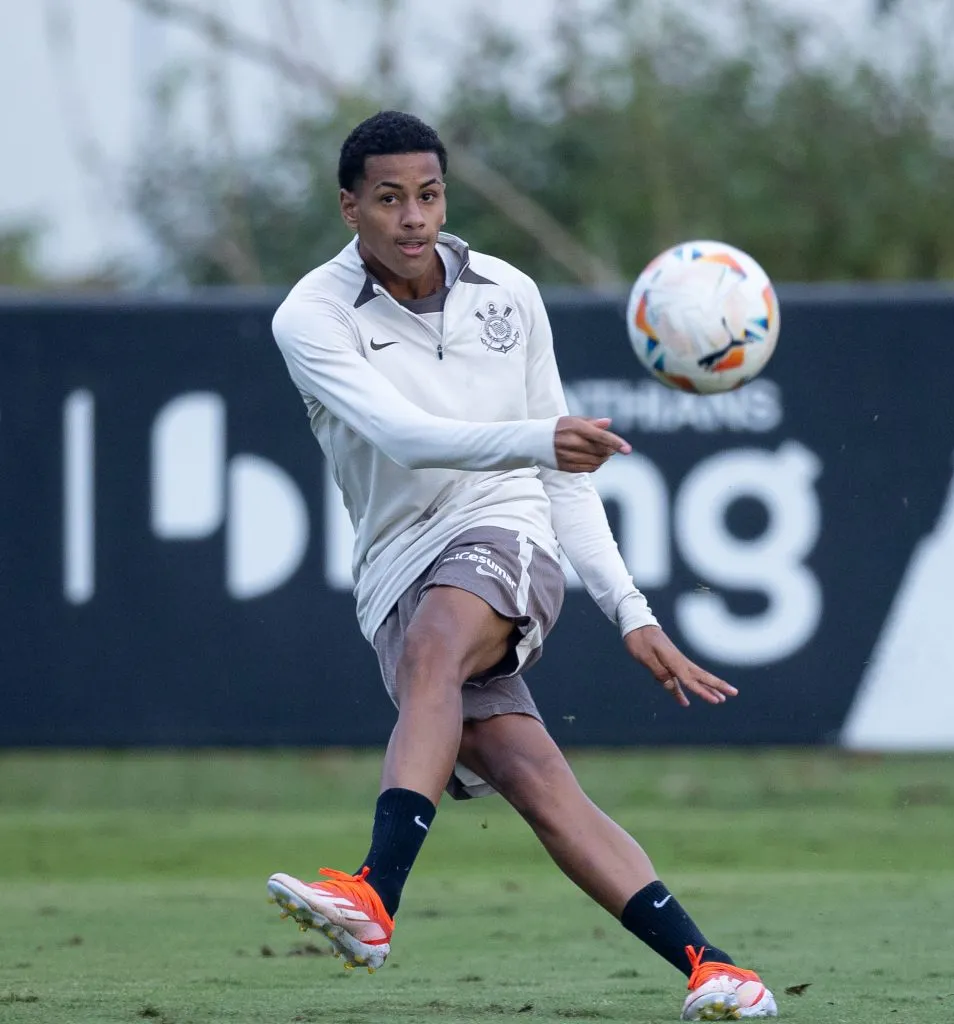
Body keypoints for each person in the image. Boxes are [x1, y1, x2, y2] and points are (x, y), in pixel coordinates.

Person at [267, 110, 777, 1021]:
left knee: (436, 649)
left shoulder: (508, 292)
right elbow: (400, 435)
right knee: (534, 777)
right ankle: (718, 968)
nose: (413, 217)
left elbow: (558, 479)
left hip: (504, 529)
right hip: (392, 567)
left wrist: (630, 609)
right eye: (389, 199)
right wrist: (539, 437)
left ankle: (375, 896)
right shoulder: (309, 316)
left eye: (428, 194)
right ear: (350, 208)